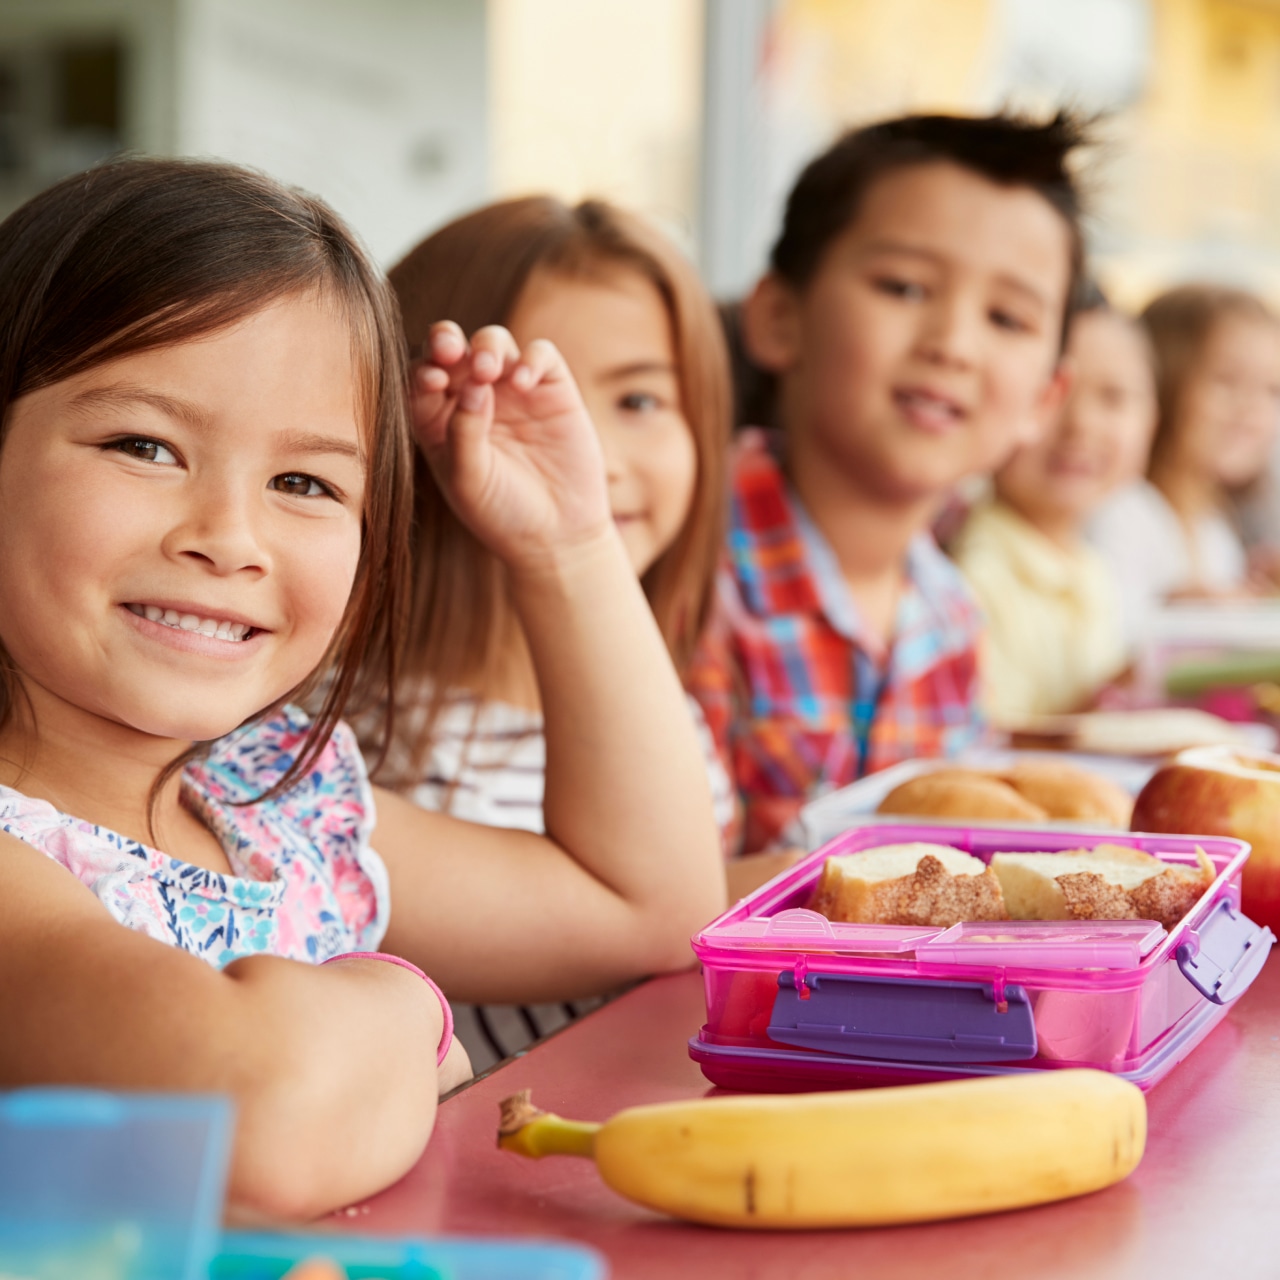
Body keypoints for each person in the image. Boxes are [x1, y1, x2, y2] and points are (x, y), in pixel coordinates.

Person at [0, 160, 725, 1221]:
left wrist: (565, 547)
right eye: (143, 444)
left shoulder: (271, 801)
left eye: (305, 482)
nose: (228, 537)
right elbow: (260, 1122)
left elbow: (653, 904)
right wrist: (411, 1002)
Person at [381, 197, 734, 1067]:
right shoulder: (352, 741)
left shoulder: (661, 710)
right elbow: (662, 922)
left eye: (641, 399)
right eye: (532, 398)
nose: (592, 453)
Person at [688, 112, 1082, 856]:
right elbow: (664, 901)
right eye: (904, 287)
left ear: (1043, 400)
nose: (954, 345)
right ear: (777, 317)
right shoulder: (686, 564)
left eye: (1007, 317)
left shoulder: (953, 614)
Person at [952, 291, 1158, 722]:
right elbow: (987, 757)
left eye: (1114, 397)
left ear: (1153, 419)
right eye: (1052, 392)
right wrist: (1108, 703)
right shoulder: (976, 578)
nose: (1081, 423)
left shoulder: (1089, 565)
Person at [1089, 285, 1280, 646]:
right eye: (1227, 381)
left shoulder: (1217, 531)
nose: (1252, 409)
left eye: (1272, 390)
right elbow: (1101, 649)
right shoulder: (1123, 512)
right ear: (1162, 382)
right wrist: (1173, 610)